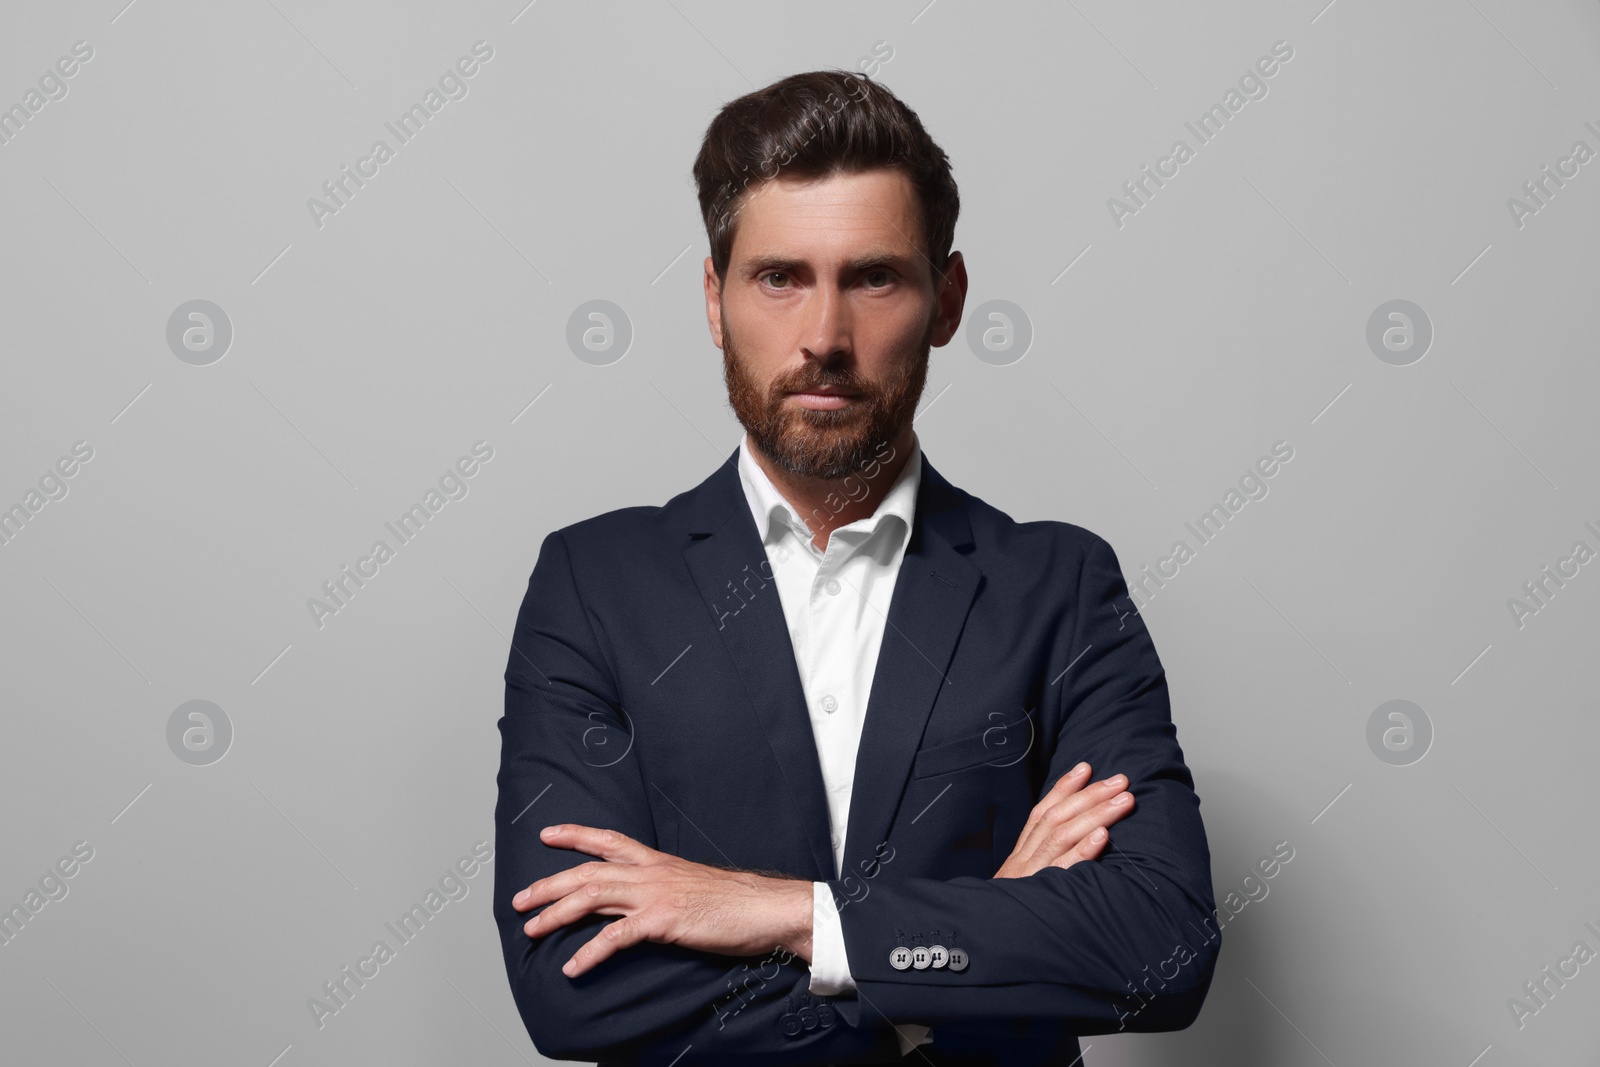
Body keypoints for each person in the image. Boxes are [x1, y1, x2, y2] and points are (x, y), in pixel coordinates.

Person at [493, 69, 1219, 1066]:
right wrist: (964, 960)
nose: (824, 337)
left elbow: (1161, 945)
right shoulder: (595, 586)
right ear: (714, 299)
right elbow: (573, 988)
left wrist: (790, 914)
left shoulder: (1058, 586)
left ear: (946, 300)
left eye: (873, 276)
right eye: (778, 276)